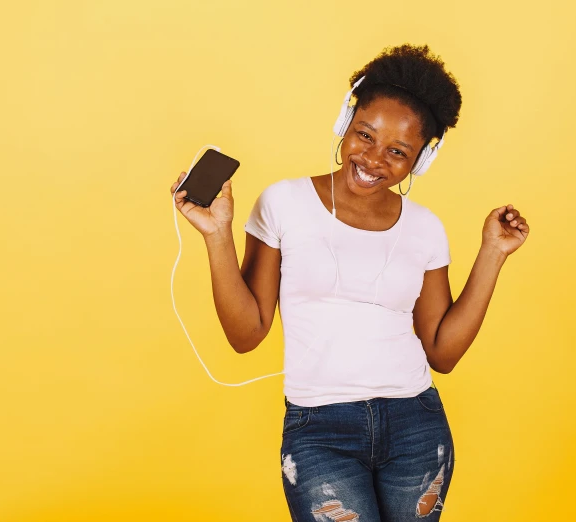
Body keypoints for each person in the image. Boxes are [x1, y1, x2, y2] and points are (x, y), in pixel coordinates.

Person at [169, 44, 529, 521]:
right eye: (365, 134)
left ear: (420, 161)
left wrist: (493, 252)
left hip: (416, 425)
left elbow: (443, 352)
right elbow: (245, 334)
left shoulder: (424, 228)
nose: (373, 158)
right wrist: (217, 236)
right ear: (346, 123)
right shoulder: (282, 203)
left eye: (398, 151)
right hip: (319, 430)